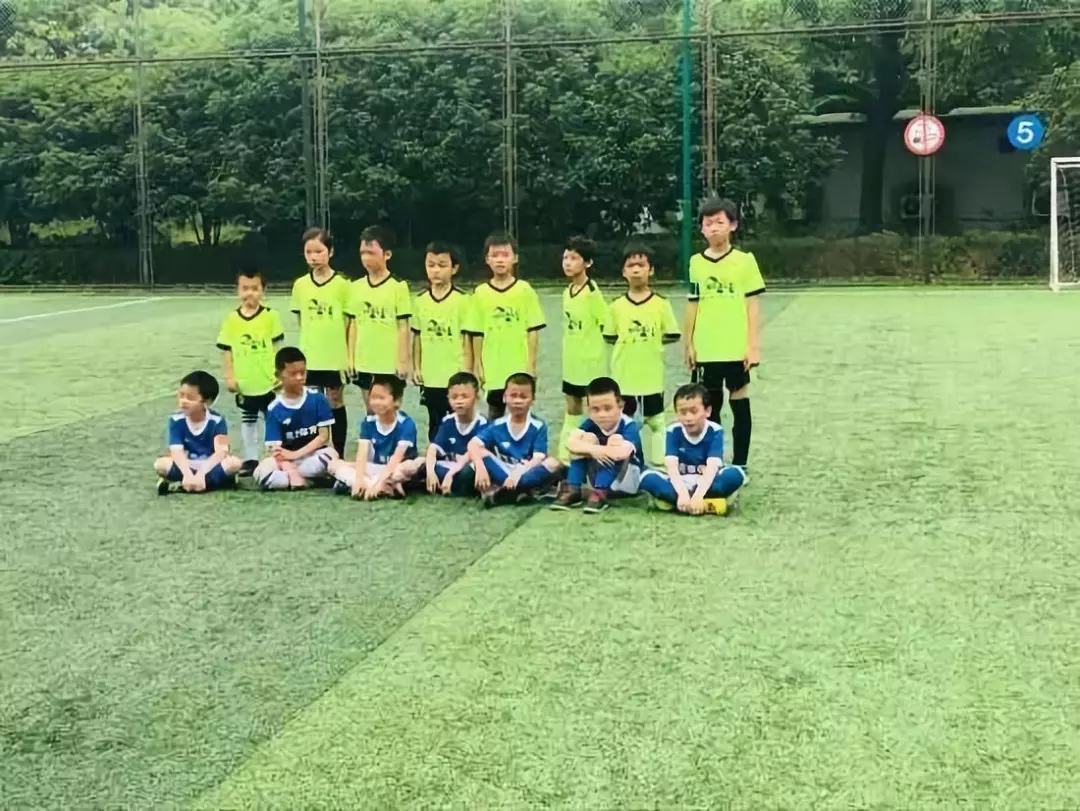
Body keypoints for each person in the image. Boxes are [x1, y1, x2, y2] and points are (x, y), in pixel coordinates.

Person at [684, 197, 765, 476]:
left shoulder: (745, 261)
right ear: (701, 229)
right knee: (710, 406)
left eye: (719, 222)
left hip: (735, 346)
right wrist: (689, 344)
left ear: (733, 225)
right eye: (708, 223)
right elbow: (693, 304)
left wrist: (753, 346)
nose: (714, 228)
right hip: (706, 347)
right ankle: (713, 462)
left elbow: (753, 305)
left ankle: (740, 464)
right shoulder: (696, 262)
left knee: (739, 401)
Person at [603, 243, 680, 467]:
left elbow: (671, 334)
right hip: (624, 376)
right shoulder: (616, 307)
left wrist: (650, 344)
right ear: (623, 271)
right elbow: (610, 336)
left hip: (651, 375)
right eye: (631, 265)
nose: (636, 270)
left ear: (651, 270)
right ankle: (626, 466)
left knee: (656, 420)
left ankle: (660, 466)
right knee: (624, 422)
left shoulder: (661, 304)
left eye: (641, 264)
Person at [466, 234, 546, 420]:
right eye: (495, 255)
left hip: (518, 364)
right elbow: (476, 333)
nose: (500, 260)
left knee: (520, 412)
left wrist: (531, 366)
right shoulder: (480, 293)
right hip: (493, 366)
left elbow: (532, 331)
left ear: (515, 258)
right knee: (495, 414)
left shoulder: (525, 291)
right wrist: (478, 365)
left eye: (505, 255)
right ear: (487, 259)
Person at [216, 267, 285, 476]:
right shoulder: (232, 320)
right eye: (245, 288)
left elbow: (278, 346)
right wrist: (230, 376)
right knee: (248, 420)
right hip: (245, 382)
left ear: (263, 290)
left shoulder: (271, 316)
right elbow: (227, 350)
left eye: (255, 289)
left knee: (273, 419)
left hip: (268, 381)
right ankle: (251, 459)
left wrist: (280, 373)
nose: (250, 293)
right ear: (238, 290)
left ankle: (276, 457)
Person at [639, 383, 746, 515]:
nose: (688, 418)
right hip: (680, 482)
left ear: (707, 411)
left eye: (694, 412)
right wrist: (683, 493)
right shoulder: (673, 430)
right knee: (646, 478)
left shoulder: (715, 431)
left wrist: (698, 495)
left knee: (736, 474)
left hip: (706, 481)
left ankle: (674, 503)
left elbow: (712, 467)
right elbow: (671, 467)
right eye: (683, 413)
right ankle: (709, 503)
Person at [291, 227, 350, 457]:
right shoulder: (300, 285)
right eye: (309, 252)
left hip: (335, 355)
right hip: (310, 355)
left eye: (319, 251)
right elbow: (301, 320)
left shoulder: (343, 285)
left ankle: (339, 453)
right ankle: (314, 453)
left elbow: (349, 322)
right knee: (313, 403)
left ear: (331, 252)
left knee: (335, 401)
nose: (314, 257)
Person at [550, 376, 643, 514]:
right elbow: (570, 443)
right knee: (586, 439)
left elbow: (621, 454)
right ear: (589, 409)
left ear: (620, 405)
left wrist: (599, 450)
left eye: (608, 408)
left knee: (615, 441)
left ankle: (600, 491)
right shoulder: (591, 423)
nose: (602, 414)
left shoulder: (628, 425)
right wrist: (594, 450)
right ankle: (573, 489)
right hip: (599, 473)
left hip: (626, 479)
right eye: (596, 409)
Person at [467, 372, 562, 507]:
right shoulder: (497, 424)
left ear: (533, 399)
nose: (518, 401)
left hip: (526, 470)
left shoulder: (538, 426)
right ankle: (524, 491)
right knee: (480, 453)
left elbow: (537, 458)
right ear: (504, 397)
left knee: (553, 463)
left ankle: (505, 491)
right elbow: (473, 444)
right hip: (503, 470)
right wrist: (480, 467)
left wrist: (518, 473)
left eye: (523, 397)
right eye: (513, 395)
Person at [411, 241, 474, 440]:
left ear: (454, 268)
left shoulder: (464, 301)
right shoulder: (420, 301)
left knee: (459, 420)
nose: (436, 270)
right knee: (435, 421)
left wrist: (468, 370)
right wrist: (416, 367)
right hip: (431, 374)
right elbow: (417, 336)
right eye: (431, 265)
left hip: (454, 371)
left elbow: (467, 339)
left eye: (442, 265)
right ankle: (435, 455)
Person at [345, 225, 412, 411]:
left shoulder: (398, 287)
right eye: (363, 253)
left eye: (371, 253)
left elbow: (403, 326)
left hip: (389, 363)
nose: (366, 258)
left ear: (387, 254)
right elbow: (353, 325)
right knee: (371, 411)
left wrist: (402, 360)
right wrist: (350, 358)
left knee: (390, 412)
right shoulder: (356, 287)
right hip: (364, 361)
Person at [557, 235, 609, 464]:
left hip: (591, 362)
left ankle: (596, 455)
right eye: (565, 258)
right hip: (572, 360)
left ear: (587, 263)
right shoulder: (567, 291)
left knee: (594, 410)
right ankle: (567, 456)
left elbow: (607, 325)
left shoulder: (593, 294)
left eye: (574, 258)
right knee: (572, 408)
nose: (568, 263)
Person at [254, 347, 337, 490]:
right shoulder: (274, 408)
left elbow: (323, 437)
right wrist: (290, 468)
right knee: (261, 473)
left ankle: (297, 479)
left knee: (331, 455)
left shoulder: (318, 399)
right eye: (293, 374)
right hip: (285, 461)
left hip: (312, 456)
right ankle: (307, 480)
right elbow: (276, 450)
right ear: (279, 375)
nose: (299, 377)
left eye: (303, 372)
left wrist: (295, 454)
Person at [397, 371, 486, 496]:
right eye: (454, 397)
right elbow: (433, 449)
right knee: (416, 465)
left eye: (465, 396)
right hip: (447, 465)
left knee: (469, 472)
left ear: (476, 397)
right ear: (448, 398)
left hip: (465, 468)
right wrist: (431, 473)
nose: (459, 401)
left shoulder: (483, 424)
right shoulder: (448, 421)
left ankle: (444, 485)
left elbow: (473, 455)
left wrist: (451, 474)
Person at [329, 375, 418, 500]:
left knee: (409, 466)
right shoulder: (368, 422)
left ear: (396, 401)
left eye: (381, 398)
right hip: (375, 468)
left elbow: (396, 459)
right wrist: (359, 480)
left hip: (395, 469)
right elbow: (362, 455)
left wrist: (378, 483)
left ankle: (376, 485)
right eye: (373, 398)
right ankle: (376, 487)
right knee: (333, 464)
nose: (376, 402)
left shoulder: (406, 423)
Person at [154, 371, 241, 495]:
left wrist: (201, 474)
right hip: (187, 464)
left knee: (234, 463)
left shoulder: (218, 420)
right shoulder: (175, 420)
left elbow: (222, 451)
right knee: (160, 465)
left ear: (207, 401)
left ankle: (189, 483)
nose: (183, 401)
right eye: (181, 395)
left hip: (210, 465)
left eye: (190, 398)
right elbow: (176, 451)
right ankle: (208, 482)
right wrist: (187, 474)